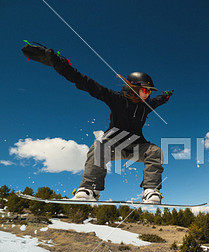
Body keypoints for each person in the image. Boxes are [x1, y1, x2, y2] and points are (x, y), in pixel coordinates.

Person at [22, 44, 173, 203]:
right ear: (133, 88)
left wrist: (166, 96)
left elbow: (158, 101)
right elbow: (85, 82)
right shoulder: (116, 99)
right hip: (114, 146)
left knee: (155, 151)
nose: (148, 94)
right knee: (99, 146)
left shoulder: (146, 106)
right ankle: (89, 189)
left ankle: (150, 191)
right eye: (145, 90)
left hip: (136, 147)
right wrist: (59, 65)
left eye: (149, 91)